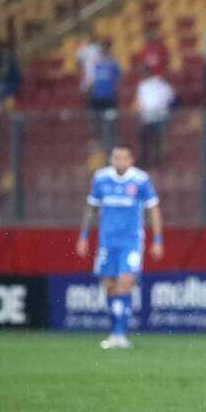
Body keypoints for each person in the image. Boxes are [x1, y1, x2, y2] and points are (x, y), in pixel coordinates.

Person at [75, 145, 164, 349]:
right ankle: (114, 333)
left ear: (131, 160)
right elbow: (92, 208)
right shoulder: (100, 179)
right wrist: (83, 236)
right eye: (116, 157)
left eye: (124, 157)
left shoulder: (141, 180)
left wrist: (158, 239)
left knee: (125, 282)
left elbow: (153, 209)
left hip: (131, 242)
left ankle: (120, 334)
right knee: (109, 286)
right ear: (111, 159)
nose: (120, 161)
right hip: (107, 241)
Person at [136, 65, 175, 166]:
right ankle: (145, 160)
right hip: (148, 117)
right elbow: (141, 101)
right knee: (144, 139)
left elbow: (171, 97)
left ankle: (159, 160)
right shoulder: (142, 85)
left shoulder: (160, 83)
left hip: (159, 116)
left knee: (159, 139)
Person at [88, 41, 120, 145]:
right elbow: (92, 80)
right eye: (103, 48)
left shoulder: (113, 63)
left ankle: (112, 139)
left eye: (106, 48)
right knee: (95, 120)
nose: (104, 50)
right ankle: (97, 141)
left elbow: (117, 80)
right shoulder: (96, 63)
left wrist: (116, 94)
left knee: (111, 120)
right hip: (97, 96)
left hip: (109, 97)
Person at [76, 30, 102, 95]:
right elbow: (78, 62)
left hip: (96, 73)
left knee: (96, 92)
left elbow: (102, 60)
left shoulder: (97, 48)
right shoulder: (82, 49)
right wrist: (81, 71)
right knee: (85, 92)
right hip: (86, 74)